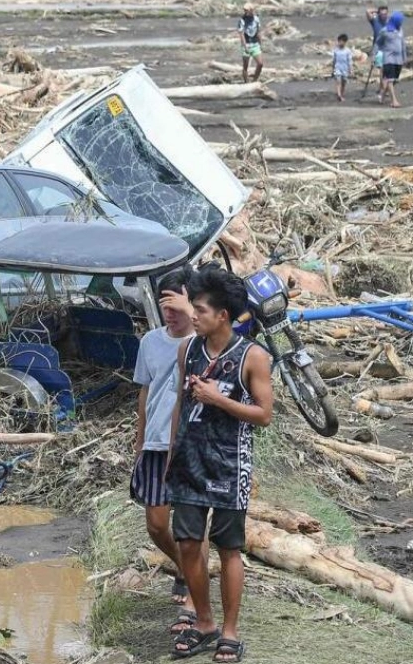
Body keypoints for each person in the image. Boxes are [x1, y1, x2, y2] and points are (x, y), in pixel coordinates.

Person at [166, 267, 274, 664]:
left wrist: (219, 399)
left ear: (222, 315)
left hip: (230, 466)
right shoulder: (188, 350)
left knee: (228, 548)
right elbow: (181, 404)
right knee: (189, 543)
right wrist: (170, 456)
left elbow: (263, 415)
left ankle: (230, 632)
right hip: (189, 462)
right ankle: (204, 622)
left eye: (200, 309)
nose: (193, 316)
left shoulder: (253, 357)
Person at [131, 271, 204, 636]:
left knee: (191, 528)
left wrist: (191, 314)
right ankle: (185, 567)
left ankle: (194, 595)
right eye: (165, 307)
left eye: (176, 306)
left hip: (191, 446)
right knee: (157, 525)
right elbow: (145, 392)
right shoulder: (150, 342)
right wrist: (141, 438)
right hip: (157, 444)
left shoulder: (204, 343)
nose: (170, 314)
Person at [377, 11, 407, 108]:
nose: (401, 23)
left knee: (395, 80)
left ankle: (382, 95)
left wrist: (404, 57)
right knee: (390, 79)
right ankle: (394, 101)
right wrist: (379, 53)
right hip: (388, 58)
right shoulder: (385, 31)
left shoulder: (400, 30)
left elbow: (403, 44)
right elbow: (379, 42)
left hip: (398, 59)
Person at [365, 4, 390, 95]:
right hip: (378, 49)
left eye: (385, 14)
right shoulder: (375, 21)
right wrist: (377, 11)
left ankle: (383, 88)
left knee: (386, 70)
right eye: (382, 14)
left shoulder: (389, 23)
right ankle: (383, 88)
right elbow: (368, 11)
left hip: (388, 49)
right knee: (382, 70)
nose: (384, 16)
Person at [236, 3, 263, 83]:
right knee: (245, 66)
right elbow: (241, 34)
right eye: (244, 10)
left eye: (247, 10)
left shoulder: (256, 19)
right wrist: (245, 46)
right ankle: (246, 82)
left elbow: (258, 32)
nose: (245, 12)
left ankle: (255, 80)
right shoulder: (242, 20)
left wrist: (260, 43)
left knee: (260, 64)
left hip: (255, 44)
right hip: (246, 45)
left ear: (251, 10)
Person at [331, 33, 353, 102]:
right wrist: (333, 68)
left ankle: (342, 94)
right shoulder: (336, 50)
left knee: (344, 82)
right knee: (338, 81)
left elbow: (349, 61)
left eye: (342, 41)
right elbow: (334, 60)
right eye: (339, 41)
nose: (340, 43)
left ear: (345, 42)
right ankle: (339, 95)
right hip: (338, 68)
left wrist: (351, 69)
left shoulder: (347, 51)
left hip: (345, 68)